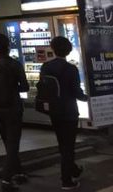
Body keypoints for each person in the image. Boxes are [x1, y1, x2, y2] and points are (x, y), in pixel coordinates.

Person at [0, 34, 30, 192]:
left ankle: (18, 172)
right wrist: (12, 88)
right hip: (13, 108)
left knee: (7, 141)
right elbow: (25, 87)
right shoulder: (14, 64)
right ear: (8, 46)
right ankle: (6, 179)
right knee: (13, 143)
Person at [40, 36, 88, 190]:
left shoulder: (45, 67)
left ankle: (73, 170)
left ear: (53, 49)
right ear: (68, 50)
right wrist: (87, 98)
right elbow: (77, 92)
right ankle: (66, 180)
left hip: (54, 110)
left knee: (62, 144)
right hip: (69, 111)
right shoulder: (71, 69)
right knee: (69, 146)